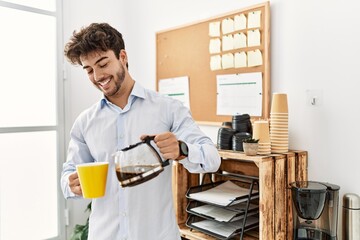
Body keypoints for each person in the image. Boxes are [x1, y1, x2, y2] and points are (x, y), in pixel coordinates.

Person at [60, 23, 221, 240]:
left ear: (122, 56)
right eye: (88, 70)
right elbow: (69, 174)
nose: (97, 76)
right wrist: (71, 185)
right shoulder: (84, 123)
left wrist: (181, 150)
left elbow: (212, 159)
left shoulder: (167, 108)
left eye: (103, 63)